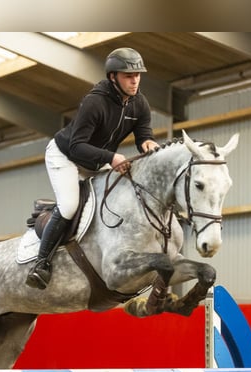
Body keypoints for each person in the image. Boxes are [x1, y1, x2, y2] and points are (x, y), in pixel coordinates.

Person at [25, 47, 160, 289]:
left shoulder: (139, 103)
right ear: (112, 77)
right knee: (69, 206)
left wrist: (147, 143)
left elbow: (144, 134)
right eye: (129, 76)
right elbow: (77, 147)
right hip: (65, 155)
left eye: (138, 75)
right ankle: (41, 263)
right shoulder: (94, 102)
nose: (135, 80)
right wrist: (113, 157)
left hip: (98, 159)